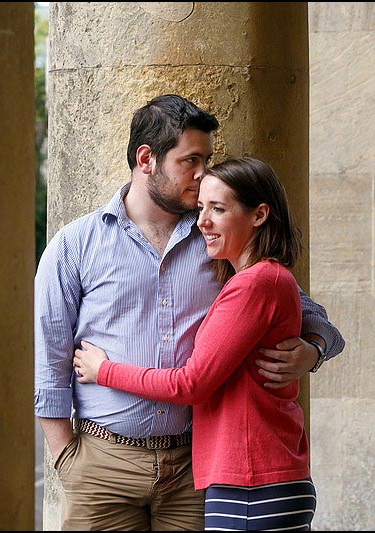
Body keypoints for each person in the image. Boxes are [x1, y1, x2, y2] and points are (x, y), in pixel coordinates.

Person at [34, 95, 344, 531]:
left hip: (195, 471)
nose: (203, 175)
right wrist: (68, 458)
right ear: (147, 159)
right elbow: (48, 356)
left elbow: (304, 310)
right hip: (103, 468)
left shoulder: (219, 238)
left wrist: (313, 349)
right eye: (191, 160)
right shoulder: (74, 245)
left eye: (208, 159)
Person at [73, 156, 322, 531]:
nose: (202, 221)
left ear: (259, 215)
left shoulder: (256, 283)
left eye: (218, 209)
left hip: (252, 479)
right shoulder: (256, 279)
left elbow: (191, 383)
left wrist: (104, 370)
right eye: (202, 207)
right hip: (250, 476)